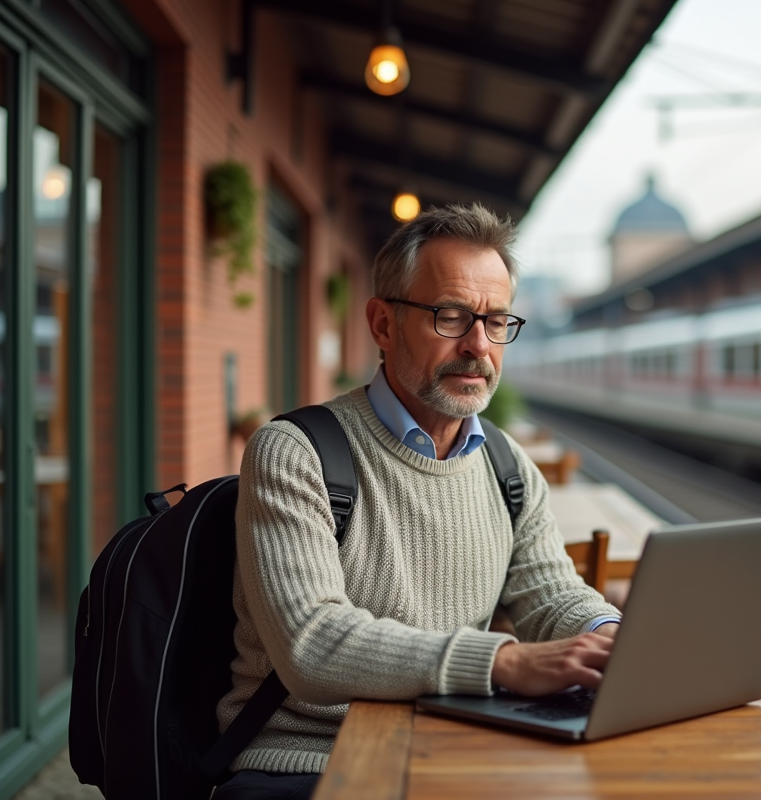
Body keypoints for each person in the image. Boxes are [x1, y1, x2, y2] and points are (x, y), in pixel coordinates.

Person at [214, 204, 622, 799]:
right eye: (451, 317)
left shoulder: (507, 467)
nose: (478, 347)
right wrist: (503, 663)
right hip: (303, 762)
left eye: (497, 320)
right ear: (382, 324)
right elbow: (313, 643)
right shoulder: (294, 452)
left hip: (454, 743)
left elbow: (551, 594)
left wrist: (611, 637)